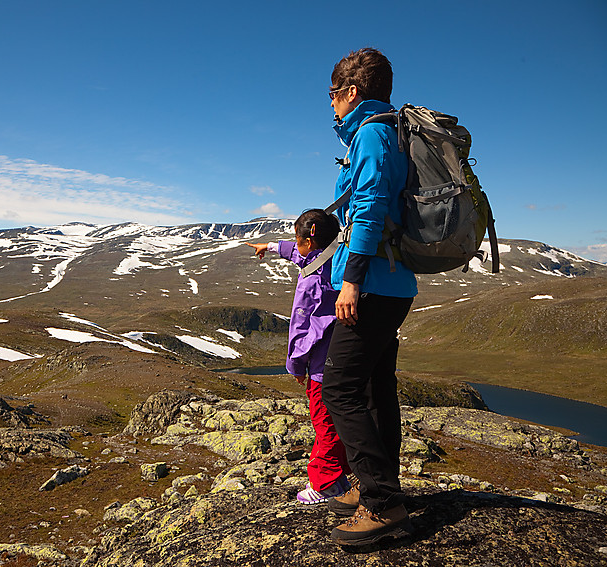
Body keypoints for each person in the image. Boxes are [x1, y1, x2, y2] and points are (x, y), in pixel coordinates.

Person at [320, 47, 418, 545]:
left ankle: (383, 504)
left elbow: (370, 207)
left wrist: (352, 280)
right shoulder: (391, 132)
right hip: (391, 284)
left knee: (339, 388)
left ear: (352, 92)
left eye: (333, 94)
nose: (331, 104)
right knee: (376, 387)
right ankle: (380, 487)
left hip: (373, 284)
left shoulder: (374, 134)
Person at [247, 209, 352, 504]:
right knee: (339, 420)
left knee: (324, 424)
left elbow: (303, 328)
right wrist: (268, 247)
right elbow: (298, 252)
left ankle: (326, 484)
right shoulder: (336, 257)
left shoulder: (312, 283)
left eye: (299, 239)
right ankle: (343, 473)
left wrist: (295, 365)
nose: (296, 245)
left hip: (321, 368)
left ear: (312, 237)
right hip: (345, 358)